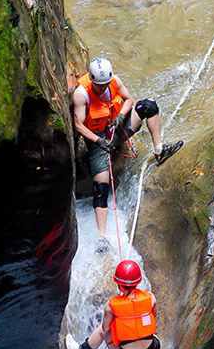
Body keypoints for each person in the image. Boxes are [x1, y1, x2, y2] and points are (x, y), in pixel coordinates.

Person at [73, 57, 183, 250]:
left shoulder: (114, 81)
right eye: (99, 85)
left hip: (117, 126)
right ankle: (101, 236)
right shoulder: (82, 94)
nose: (103, 87)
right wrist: (99, 141)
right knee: (101, 187)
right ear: (91, 80)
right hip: (98, 139)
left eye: (105, 84)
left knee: (148, 106)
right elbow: (78, 125)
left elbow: (129, 99)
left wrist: (122, 115)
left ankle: (160, 150)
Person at [72, 259, 161, 349]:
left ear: (118, 284)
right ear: (138, 281)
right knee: (149, 332)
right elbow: (153, 318)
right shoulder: (151, 298)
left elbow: (105, 329)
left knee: (103, 330)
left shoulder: (111, 306)